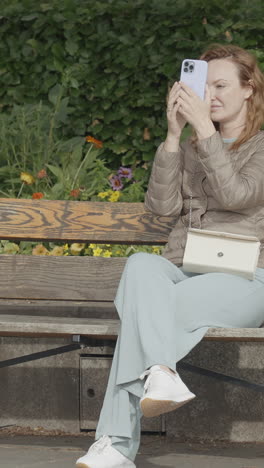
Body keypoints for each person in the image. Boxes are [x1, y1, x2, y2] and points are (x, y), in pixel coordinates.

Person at [76, 44, 264, 468]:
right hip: (187, 270)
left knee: (145, 315)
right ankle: (162, 374)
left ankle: (115, 444)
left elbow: (236, 195)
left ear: (249, 88)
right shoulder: (193, 146)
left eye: (221, 85)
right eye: (204, 85)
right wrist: (175, 135)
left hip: (246, 279)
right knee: (141, 265)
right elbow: (161, 208)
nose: (210, 95)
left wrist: (207, 134)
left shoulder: (260, 147)